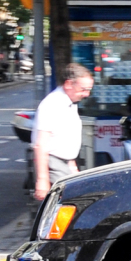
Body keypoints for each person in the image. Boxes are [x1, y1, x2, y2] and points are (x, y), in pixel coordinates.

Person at [32, 63, 93, 201]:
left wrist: (72, 166)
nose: (86, 94)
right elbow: (41, 145)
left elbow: (66, 139)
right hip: (53, 163)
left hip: (63, 163)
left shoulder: (69, 103)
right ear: (68, 84)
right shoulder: (53, 104)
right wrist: (42, 179)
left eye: (89, 90)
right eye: (83, 89)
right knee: (68, 204)